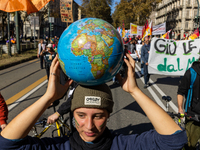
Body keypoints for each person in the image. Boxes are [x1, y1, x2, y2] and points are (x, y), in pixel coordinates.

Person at [0, 53, 187, 150]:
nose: (89, 126)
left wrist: (135, 91)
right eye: (81, 115)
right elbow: (7, 143)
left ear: (108, 115)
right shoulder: (59, 145)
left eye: (98, 116)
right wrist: (48, 97)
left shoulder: (124, 145)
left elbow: (175, 139)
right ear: (72, 113)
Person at [177, 59, 200, 150]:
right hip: (194, 114)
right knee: (190, 144)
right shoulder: (191, 73)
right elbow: (181, 92)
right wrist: (180, 109)